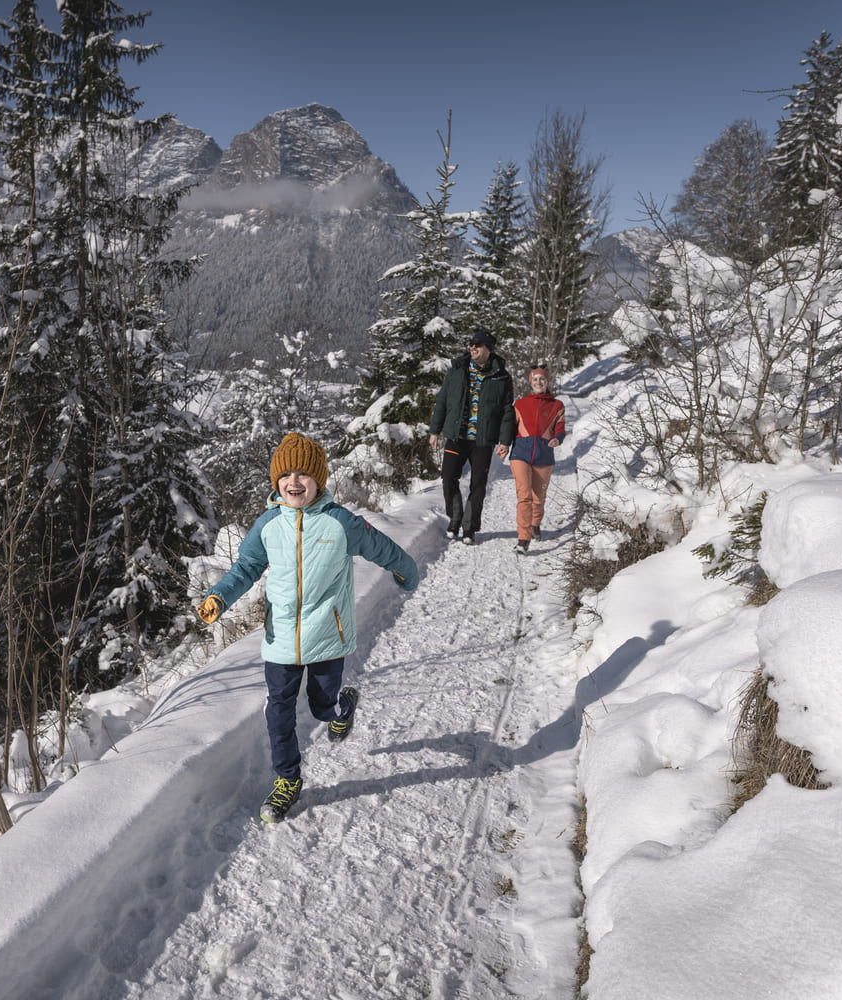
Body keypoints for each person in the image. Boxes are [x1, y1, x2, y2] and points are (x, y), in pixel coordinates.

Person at [196, 432, 419, 824]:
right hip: (280, 637)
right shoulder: (268, 524)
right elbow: (246, 568)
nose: (294, 482)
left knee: (321, 707)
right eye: (286, 475)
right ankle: (288, 779)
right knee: (278, 712)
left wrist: (406, 571)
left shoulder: (340, 523)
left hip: (326, 636)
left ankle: (341, 705)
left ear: (319, 479)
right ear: (275, 480)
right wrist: (219, 597)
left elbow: (382, 548)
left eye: (303, 474)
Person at [428, 330, 516, 545]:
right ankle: (455, 517)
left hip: (482, 441)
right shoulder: (457, 370)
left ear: (488, 349)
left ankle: (469, 527)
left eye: (477, 344)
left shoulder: (502, 377)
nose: (472, 347)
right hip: (456, 436)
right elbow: (443, 401)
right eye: (471, 343)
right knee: (448, 477)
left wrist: (505, 441)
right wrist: (434, 430)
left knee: (478, 484)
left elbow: (507, 411)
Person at [509, 364, 567, 554]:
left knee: (538, 497)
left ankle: (535, 524)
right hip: (520, 454)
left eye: (542, 379)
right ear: (530, 382)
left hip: (544, 456)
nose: (538, 382)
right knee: (524, 496)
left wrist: (558, 438)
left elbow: (560, 427)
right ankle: (523, 539)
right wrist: (503, 444)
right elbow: (510, 428)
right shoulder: (519, 404)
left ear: (547, 381)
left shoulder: (557, 405)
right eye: (535, 379)